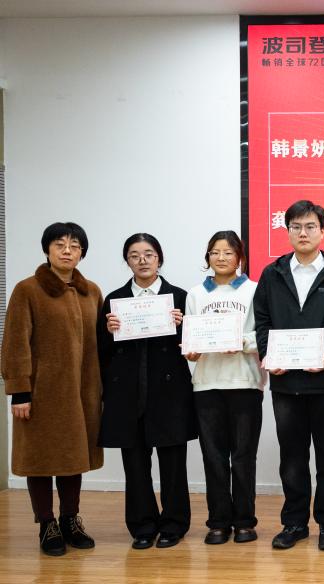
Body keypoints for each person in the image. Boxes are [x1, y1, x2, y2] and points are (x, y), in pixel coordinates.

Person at [253, 199, 324, 552]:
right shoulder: (273, 273)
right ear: (288, 231)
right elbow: (262, 321)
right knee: (292, 459)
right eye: (296, 226)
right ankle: (294, 523)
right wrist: (268, 353)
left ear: (323, 231)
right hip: (286, 382)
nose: (303, 233)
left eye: (310, 226)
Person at [2, 222, 103, 556]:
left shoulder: (92, 292)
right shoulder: (27, 290)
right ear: (47, 249)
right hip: (42, 393)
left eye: (75, 245)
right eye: (59, 244)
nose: (67, 250)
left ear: (82, 253)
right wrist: (20, 391)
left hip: (82, 392)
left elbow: (102, 342)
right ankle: (46, 524)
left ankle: (70, 519)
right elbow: (15, 343)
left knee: (74, 457)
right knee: (41, 458)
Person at [98, 233, 197, 549]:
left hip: (169, 393)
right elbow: (102, 352)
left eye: (149, 254)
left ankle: (174, 524)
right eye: (134, 255)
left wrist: (183, 326)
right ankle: (142, 526)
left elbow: (194, 348)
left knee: (173, 465)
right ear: (127, 261)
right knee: (135, 465)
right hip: (127, 395)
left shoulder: (179, 297)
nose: (142, 260)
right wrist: (109, 331)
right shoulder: (114, 300)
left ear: (159, 259)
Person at [184, 230, 263, 545]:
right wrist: (191, 351)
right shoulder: (195, 295)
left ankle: (244, 521)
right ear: (207, 257)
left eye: (228, 252)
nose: (221, 258)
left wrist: (240, 342)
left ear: (239, 257)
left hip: (245, 382)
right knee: (213, 457)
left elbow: (264, 335)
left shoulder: (254, 290)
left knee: (243, 456)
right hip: (207, 385)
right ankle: (218, 522)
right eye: (215, 252)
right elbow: (191, 340)